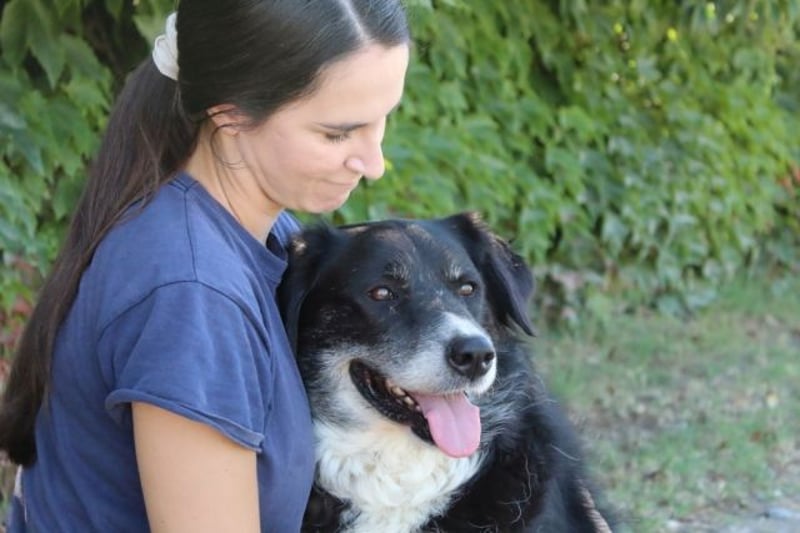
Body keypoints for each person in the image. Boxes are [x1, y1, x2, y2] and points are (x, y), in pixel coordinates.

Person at [0, 0, 410, 531]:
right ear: (230, 114)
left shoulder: (251, 229)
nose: (373, 164)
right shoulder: (192, 293)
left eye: (382, 119)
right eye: (337, 133)